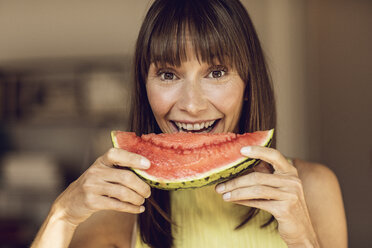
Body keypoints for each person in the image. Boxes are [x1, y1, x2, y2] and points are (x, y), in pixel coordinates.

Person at [31, 0, 347, 247]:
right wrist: (63, 214)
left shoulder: (313, 188)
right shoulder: (121, 203)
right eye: (168, 74)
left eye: (217, 72)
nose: (192, 105)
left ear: (248, 83)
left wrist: (303, 241)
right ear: (144, 85)